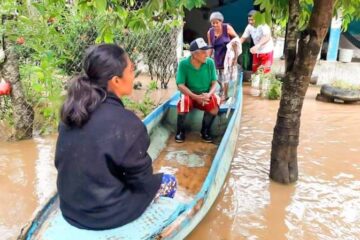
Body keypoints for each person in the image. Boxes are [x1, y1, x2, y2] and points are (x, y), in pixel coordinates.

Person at [55, 44, 176, 230]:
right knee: (169, 181)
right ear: (116, 81)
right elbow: (142, 182)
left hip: (69, 210)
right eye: (131, 70)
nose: (133, 75)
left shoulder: (71, 111)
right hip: (105, 217)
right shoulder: (128, 124)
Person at [175, 38, 220, 143]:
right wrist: (195, 97)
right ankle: (180, 132)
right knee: (183, 102)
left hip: (205, 94)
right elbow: (180, 85)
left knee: (214, 106)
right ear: (194, 54)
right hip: (189, 94)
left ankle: (205, 131)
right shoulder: (183, 64)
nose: (206, 54)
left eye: (206, 51)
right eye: (203, 52)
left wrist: (208, 94)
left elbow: (214, 83)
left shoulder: (210, 63)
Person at [207, 11, 239, 100]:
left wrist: (235, 57)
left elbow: (236, 41)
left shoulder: (227, 28)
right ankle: (221, 88)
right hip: (217, 55)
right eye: (213, 23)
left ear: (221, 21)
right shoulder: (210, 32)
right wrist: (207, 58)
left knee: (226, 76)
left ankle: (225, 94)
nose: (215, 25)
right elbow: (210, 46)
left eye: (217, 22)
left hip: (228, 56)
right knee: (217, 76)